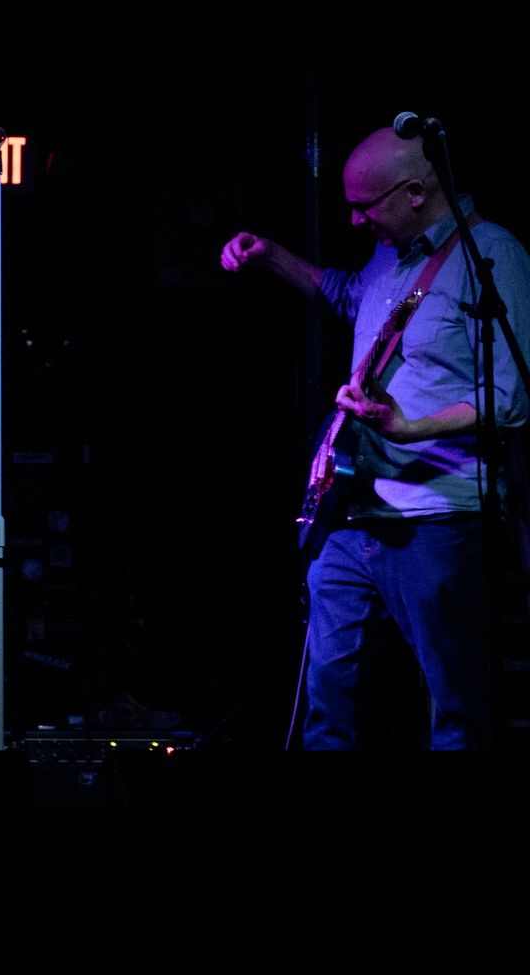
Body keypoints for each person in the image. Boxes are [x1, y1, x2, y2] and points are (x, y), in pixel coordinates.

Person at [220, 124, 530, 749]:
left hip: (436, 518)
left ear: (415, 192)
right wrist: (271, 255)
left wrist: (408, 427)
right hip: (351, 508)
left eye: (365, 206)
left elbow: (510, 398)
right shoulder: (392, 253)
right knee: (327, 699)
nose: (356, 220)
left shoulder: (494, 255)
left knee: (455, 706)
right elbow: (347, 295)